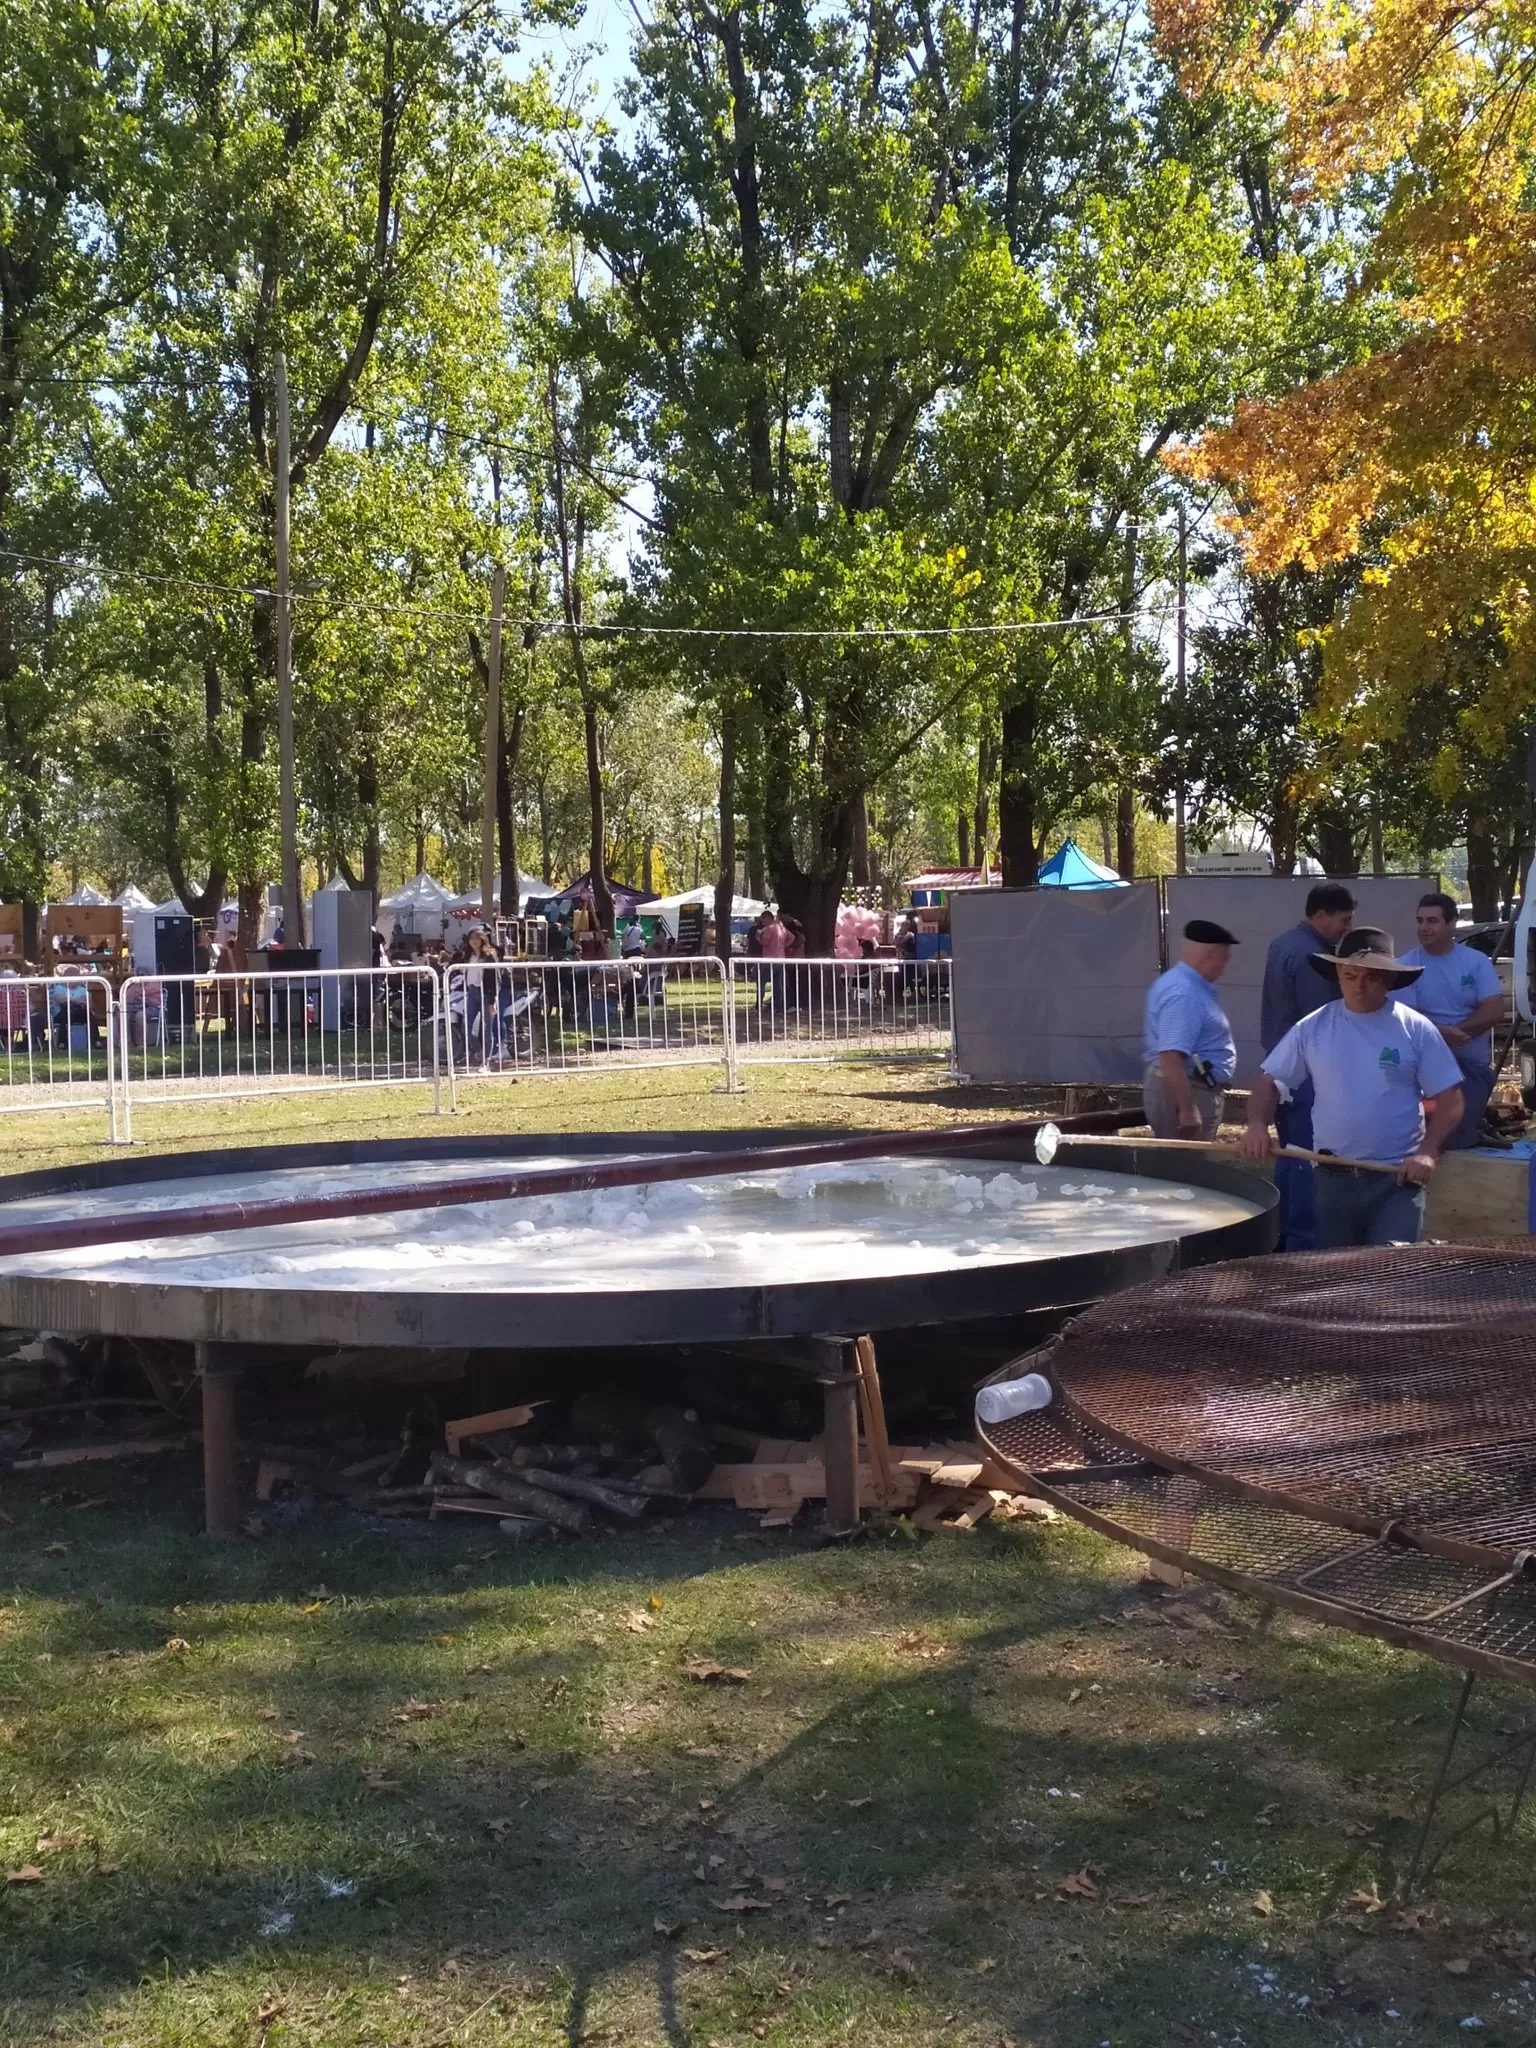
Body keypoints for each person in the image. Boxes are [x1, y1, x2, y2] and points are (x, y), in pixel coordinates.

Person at [1242, 926, 1464, 1247]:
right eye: (1350, 975)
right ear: (1338, 974)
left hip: (1397, 1179)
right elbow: (1269, 1082)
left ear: (1389, 980)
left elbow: (1450, 1097)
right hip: (1333, 1175)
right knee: (1339, 1277)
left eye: (1371, 977)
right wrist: (1257, 1125)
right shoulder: (1313, 1027)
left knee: (1391, 1273)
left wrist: (1428, 1152)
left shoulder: (1415, 1029)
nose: (1358, 986)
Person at [1260, 881, 1356, 1251]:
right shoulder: (1311, 958)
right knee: (1306, 1159)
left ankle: (1281, 1235)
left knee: (1289, 1154)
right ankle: (1301, 1245)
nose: (1346, 928)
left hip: (1281, 1068)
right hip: (1306, 1073)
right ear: (1320, 915)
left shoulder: (1282, 944)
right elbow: (1323, 1022)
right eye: (1343, 921)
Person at [1399, 891, 1506, 1149]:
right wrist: (1440, 1037)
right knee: (1423, 1138)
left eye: (1432, 921)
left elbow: (1493, 1010)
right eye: (1420, 921)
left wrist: (1453, 1031)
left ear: (1452, 924)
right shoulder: (1405, 966)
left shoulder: (1475, 962)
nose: (1424, 928)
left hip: (1471, 1067)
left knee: (1460, 1140)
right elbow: (1405, 1018)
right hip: (1422, 1070)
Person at [1142, 920, 1239, 1139]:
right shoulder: (1184, 994)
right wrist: (1186, 1109)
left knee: (1187, 1165)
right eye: (1224, 959)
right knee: (1185, 1166)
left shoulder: (1184, 985)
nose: (1224, 968)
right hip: (1187, 1091)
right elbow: (1170, 1056)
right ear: (1209, 954)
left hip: (1191, 1088)